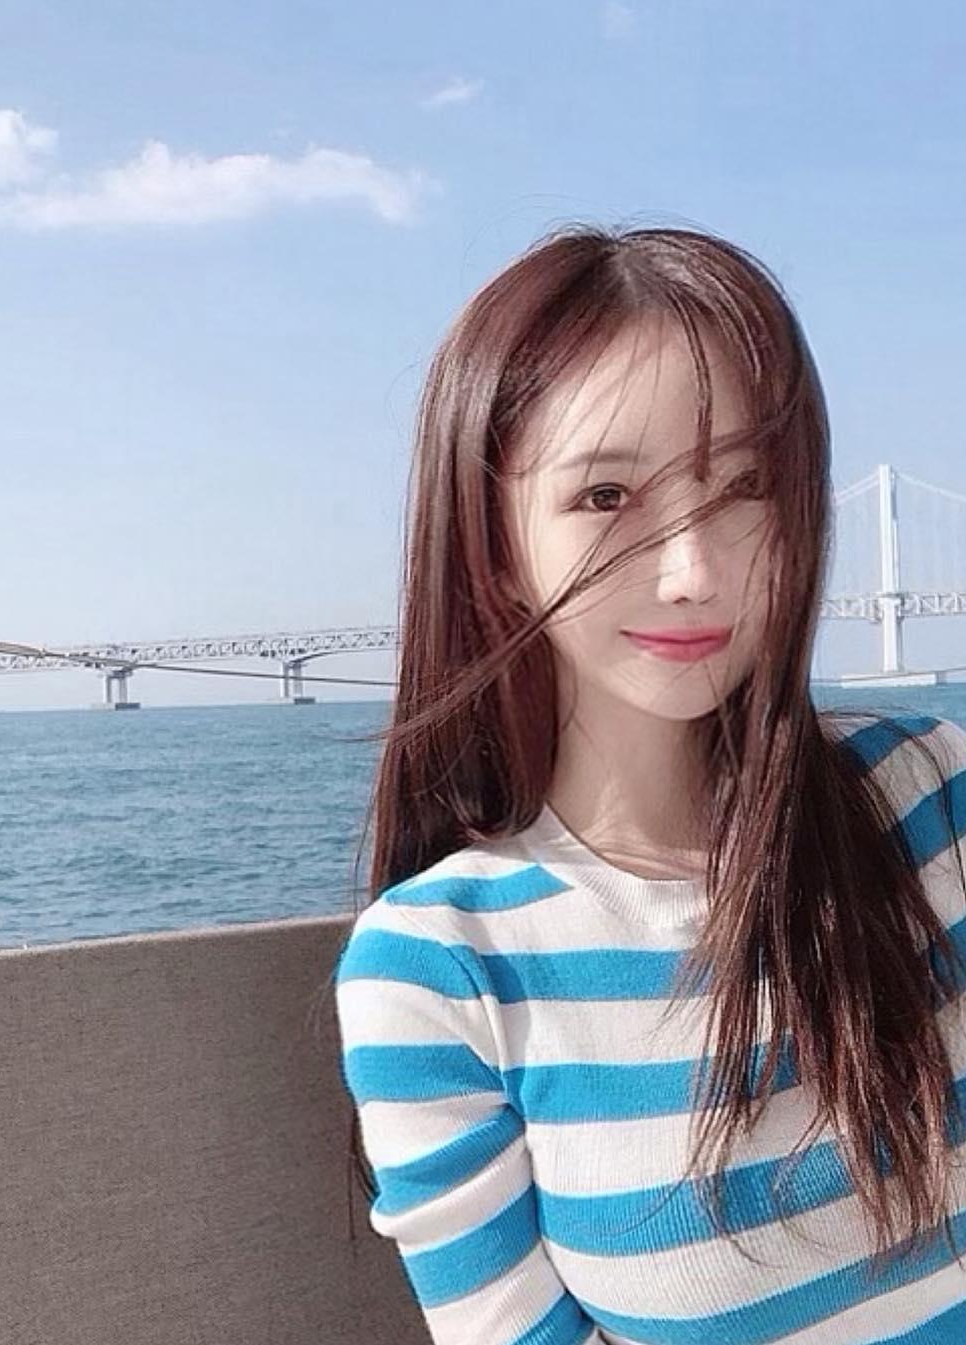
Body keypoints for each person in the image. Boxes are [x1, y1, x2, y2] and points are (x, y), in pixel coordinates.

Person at [332, 222, 966, 1345]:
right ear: (493, 543)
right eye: (606, 495)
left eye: (744, 487)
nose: (693, 572)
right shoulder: (441, 969)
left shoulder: (927, 794)